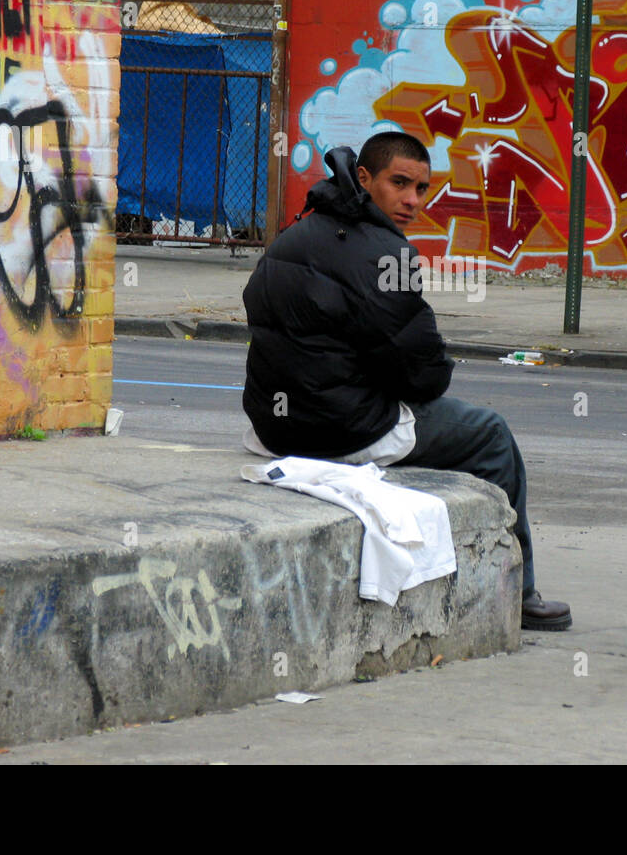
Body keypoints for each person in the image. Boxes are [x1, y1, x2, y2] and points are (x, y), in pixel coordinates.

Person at [241, 131, 572, 631]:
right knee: (490, 434)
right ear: (364, 178)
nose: (412, 201)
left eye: (421, 189)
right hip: (342, 430)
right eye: (400, 184)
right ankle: (519, 595)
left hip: (272, 426)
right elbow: (424, 375)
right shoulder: (384, 253)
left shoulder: (298, 231)